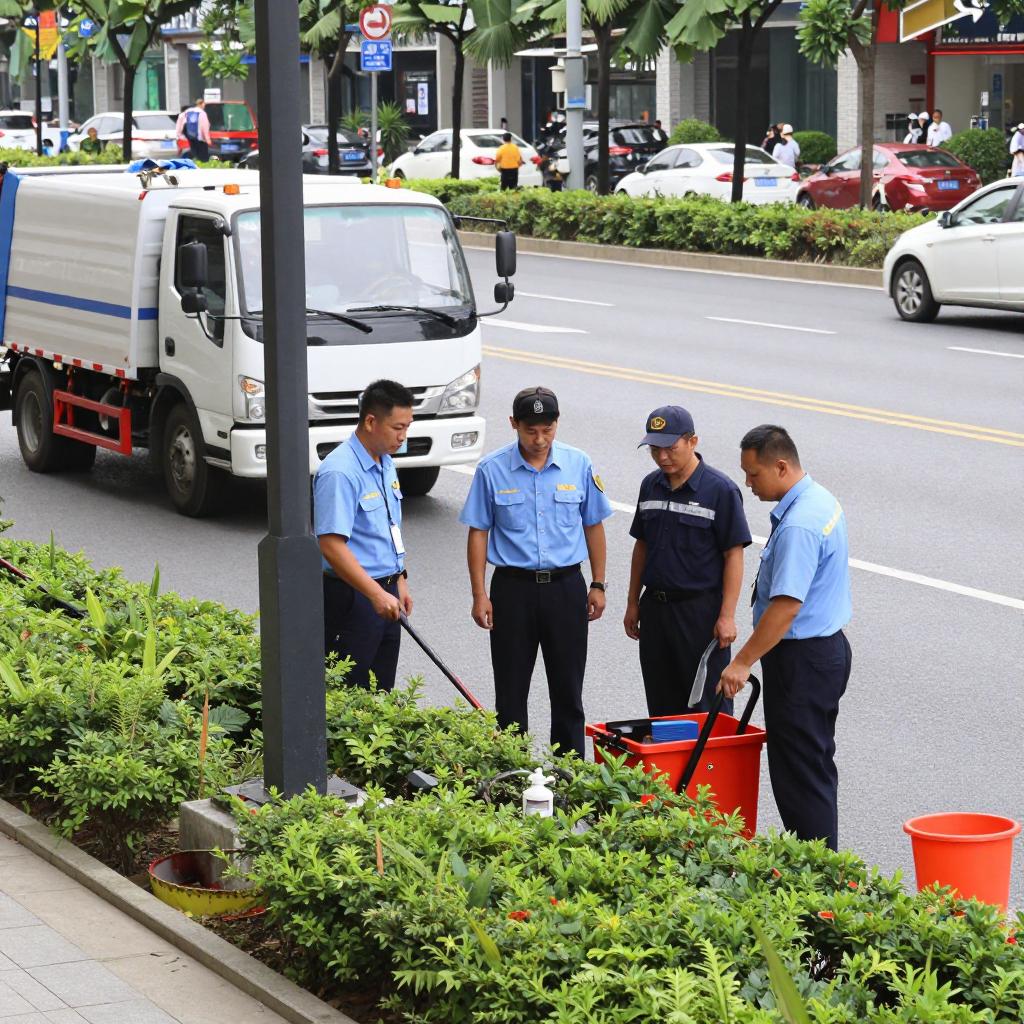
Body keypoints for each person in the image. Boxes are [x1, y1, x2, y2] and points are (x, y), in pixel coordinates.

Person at [718, 425, 852, 852]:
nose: (748, 483)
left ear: (780, 465)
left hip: (801, 659)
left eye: (754, 474)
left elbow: (786, 606)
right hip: (825, 650)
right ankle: (822, 867)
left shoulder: (800, 525)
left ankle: (816, 877)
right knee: (812, 765)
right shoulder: (819, 499)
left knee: (798, 775)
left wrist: (742, 661)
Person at [459, 387, 612, 758]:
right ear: (514, 424)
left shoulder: (579, 464)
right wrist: (480, 593)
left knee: (568, 694)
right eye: (530, 431)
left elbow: (593, 525)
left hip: (566, 588)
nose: (539, 439)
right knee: (510, 695)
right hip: (513, 591)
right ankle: (512, 782)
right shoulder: (492, 470)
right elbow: (479, 532)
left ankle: (569, 780)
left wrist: (598, 583)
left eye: (547, 429)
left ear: (556, 424)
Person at [624, 407, 752, 717]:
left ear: (692, 441)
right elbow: (642, 545)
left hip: (699, 616)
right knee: (662, 708)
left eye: (670, 448)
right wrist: (632, 603)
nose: (662, 457)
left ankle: (709, 767)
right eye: (655, 449)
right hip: (656, 612)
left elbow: (733, 555)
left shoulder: (720, 491)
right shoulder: (650, 485)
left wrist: (727, 616)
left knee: (707, 710)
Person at [314, 379, 415, 691]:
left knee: (380, 691)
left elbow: (387, 526)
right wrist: (374, 593)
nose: (403, 436)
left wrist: (399, 579)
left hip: (386, 594)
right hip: (353, 597)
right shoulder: (340, 472)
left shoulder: (384, 461)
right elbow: (331, 545)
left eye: (407, 426)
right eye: (397, 427)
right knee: (349, 693)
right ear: (371, 421)